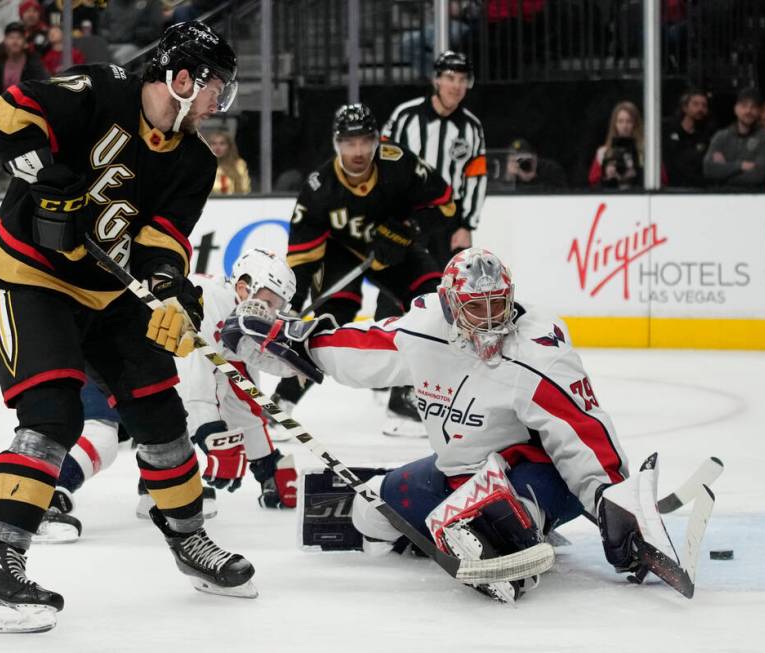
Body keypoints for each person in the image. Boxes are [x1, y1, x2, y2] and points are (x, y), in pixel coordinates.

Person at [0, 21, 253, 634]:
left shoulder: (195, 159)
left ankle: (189, 540)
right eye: (212, 88)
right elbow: (3, 116)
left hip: (109, 292)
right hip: (28, 279)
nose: (214, 104)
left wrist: (171, 294)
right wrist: (43, 174)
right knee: (53, 416)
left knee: (161, 412)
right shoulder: (100, 89)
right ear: (179, 77)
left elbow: (161, 243)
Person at [221, 248, 656, 604]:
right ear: (450, 304)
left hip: (538, 474)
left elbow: (581, 429)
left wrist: (610, 499)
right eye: (475, 307)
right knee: (371, 514)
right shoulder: (425, 332)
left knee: (501, 512)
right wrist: (295, 338)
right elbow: (364, 348)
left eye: (497, 305)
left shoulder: (538, 353)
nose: (489, 321)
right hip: (458, 473)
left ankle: (522, 525)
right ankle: (462, 529)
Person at [34, 248, 302, 543]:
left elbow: (240, 398)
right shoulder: (210, 301)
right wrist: (211, 437)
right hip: (109, 356)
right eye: (268, 302)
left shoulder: (238, 322)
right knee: (104, 437)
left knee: (167, 426)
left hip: (143, 372)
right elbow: (192, 382)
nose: (272, 313)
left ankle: (153, 492)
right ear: (242, 288)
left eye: (278, 306)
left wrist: (266, 466)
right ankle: (45, 498)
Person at [271, 102, 456, 440]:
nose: (357, 151)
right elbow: (301, 259)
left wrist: (410, 227)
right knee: (328, 321)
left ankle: (411, 398)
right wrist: (293, 308)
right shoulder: (319, 189)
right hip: (340, 253)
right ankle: (282, 402)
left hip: (395, 246)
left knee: (436, 303)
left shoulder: (398, 163)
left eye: (364, 142)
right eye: (349, 143)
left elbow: (445, 205)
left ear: (377, 140)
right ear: (336, 144)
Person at [382, 50, 485, 263]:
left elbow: (476, 179)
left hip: (449, 220)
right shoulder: (405, 116)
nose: (456, 86)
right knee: (396, 288)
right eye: (450, 78)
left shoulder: (472, 127)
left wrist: (466, 226)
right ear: (436, 80)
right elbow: (381, 165)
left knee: (450, 288)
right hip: (406, 213)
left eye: (462, 79)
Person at [702, 88, 765, 189]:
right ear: (735, 109)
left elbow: (759, 176)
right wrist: (740, 166)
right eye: (744, 106)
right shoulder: (721, 136)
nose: (748, 111)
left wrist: (723, 174)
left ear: (759, 111)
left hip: (756, 199)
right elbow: (708, 169)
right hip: (723, 199)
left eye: (753, 107)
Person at [589, 101, 644, 190]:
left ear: (635, 124)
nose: (624, 126)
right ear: (614, 124)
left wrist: (638, 174)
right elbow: (593, 185)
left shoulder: (649, 153)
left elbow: (661, 182)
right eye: (620, 121)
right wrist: (606, 176)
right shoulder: (603, 153)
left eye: (629, 121)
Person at [663, 88, 710, 188]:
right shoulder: (668, 130)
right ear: (685, 107)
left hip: (698, 189)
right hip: (670, 190)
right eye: (696, 104)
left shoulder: (707, 136)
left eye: (704, 105)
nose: (700, 109)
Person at [0, 22, 48, 98]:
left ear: (24, 42)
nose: (15, 41)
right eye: (11, 37)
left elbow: (43, 86)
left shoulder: (33, 62)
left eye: (19, 37)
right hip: (2, 106)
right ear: (5, 41)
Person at [503, 137, 567, 191]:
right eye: (517, 160)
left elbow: (561, 194)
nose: (523, 163)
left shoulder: (550, 168)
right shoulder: (504, 172)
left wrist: (534, 178)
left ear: (535, 157)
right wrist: (509, 179)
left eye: (526, 159)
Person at [207, 127, 251, 194]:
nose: (217, 147)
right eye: (214, 144)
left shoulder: (238, 164)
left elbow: (244, 191)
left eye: (222, 144)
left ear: (229, 146)